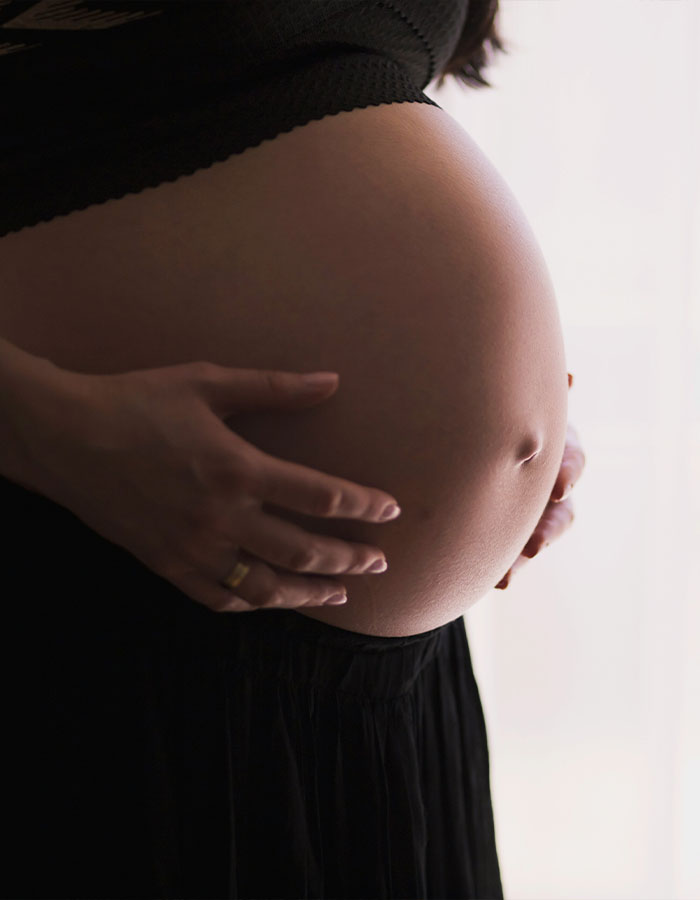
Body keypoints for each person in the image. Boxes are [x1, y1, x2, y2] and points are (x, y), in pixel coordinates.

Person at [0, 2, 529, 897]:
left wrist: (510, 388)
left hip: (393, 700)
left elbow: (316, 96)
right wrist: (43, 426)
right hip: (98, 602)